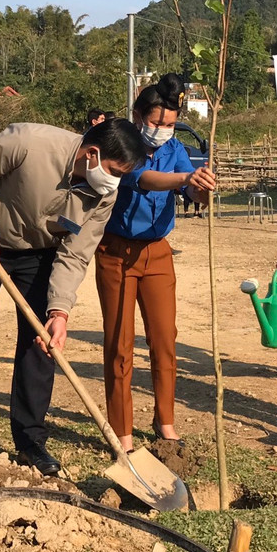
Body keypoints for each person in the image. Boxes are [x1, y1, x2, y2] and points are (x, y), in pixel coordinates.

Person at [0, 119, 146, 476]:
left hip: (42, 256)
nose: (115, 182)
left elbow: (76, 253)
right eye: (114, 171)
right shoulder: (30, 142)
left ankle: (31, 441)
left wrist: (59, 311)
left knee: (41, 346)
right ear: (92, 154)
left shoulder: (104, 194)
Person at [95, 74, 216, 454]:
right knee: (119, 343)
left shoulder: (176, 148)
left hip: (158, 254)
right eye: (156, 123)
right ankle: (122, 431)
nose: (162, 131)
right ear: (137, 115)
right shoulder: (122, 145)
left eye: (168, 124)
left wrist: (201, 188)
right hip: (115, 253)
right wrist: (184, 177)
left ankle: (165, 422)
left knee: (164, 340)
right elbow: (144, 179)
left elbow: (190, 191)